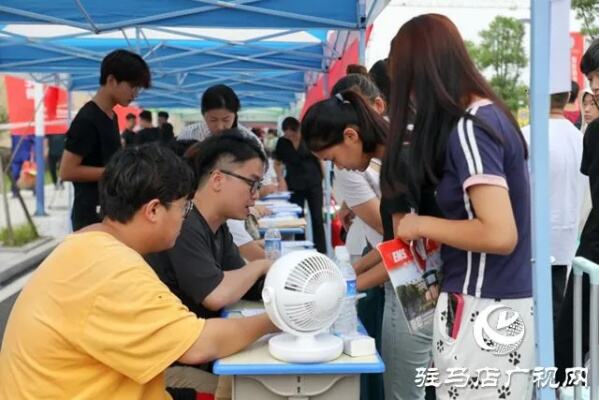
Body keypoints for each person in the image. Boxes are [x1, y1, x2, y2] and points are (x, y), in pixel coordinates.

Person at [0, 144, 277, 399]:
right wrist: (276, 320)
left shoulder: (88, 246)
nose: (185, 216)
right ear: (154, 210)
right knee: (241, 388)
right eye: (183, 207)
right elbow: (200, 344)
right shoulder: (113, 268)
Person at [382, 14, 533, 399]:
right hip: (493, 304)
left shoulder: (471, 126)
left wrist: (420, 225)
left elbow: (499, 233)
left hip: (483, 306)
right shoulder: (490, 118)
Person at [302, 86, 432, 400]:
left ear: (351, 136)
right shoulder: (400, 152)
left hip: (418, 287)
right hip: (419, 284)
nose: (340, 167)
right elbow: (393, 242)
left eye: (332, 159)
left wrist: (343, 290)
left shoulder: (397, 163)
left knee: (402, 391)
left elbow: (404, 255)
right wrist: (346, 275)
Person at [145, 130, 272, 389]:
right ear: (217, 179)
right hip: (165, 370)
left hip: (196, 354)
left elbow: (247, 284)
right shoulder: (184, 224)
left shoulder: (218, 228)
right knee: (247, 390)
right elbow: (215, 293)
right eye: (252, 183)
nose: (256, 195)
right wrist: (262, 264)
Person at [177, 84, 274, 260]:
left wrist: (245, 200)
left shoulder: (248, 141)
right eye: (213, 120)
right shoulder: (188, 136)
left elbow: (265, 183)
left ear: (236, 114)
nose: (220, 126)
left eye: (226, 119)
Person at [60, 49, 150, 231]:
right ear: (111, 80)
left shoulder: (112, 116)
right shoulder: (87, 119)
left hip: (109, 209)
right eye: (132, 86)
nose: (135, 94)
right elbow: (66, 171)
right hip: (89, 214)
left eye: (138, 88)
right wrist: (116, 172)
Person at [555, 38, 599, 384]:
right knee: (569, 347)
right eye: (591, 79)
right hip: (590, 254)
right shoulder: (593, 134)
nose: (595, 85)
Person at [521, 92, 585, 323]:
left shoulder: (527, 136)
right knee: (557, 313)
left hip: (530, 244)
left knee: (529, 317)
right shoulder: (579, 138)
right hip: (566, 241)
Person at [274, 116, 326, 254]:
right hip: (294, 183)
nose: (290, 136)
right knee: (297, 219)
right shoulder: (282, 143)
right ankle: (300, 249)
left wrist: (325, 180)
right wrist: (281, 179)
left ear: (298, 129)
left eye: (293, 133)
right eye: (287, 133)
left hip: (314, 181)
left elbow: (320, 159)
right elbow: (277, 163)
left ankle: (321, 251)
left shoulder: (308, 139)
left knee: (317, 218)